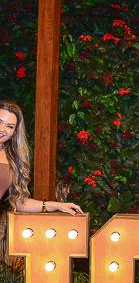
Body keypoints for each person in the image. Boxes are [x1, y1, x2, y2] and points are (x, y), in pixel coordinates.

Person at [0, 100, 82, 260]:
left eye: (9, 126)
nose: (2, 129)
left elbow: (18, 201)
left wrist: (55, 205)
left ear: (15, 132)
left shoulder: (12, 159)